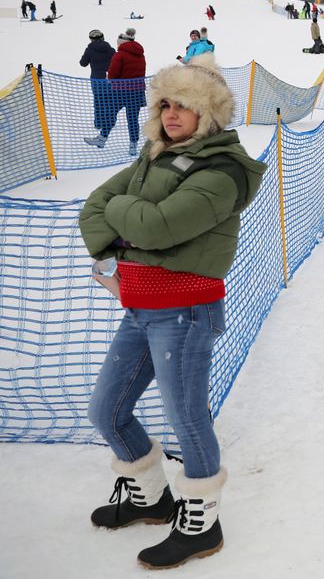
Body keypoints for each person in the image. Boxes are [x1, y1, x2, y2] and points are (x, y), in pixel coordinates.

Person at [79, 53, 265, 568]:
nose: (171, 115)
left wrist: (126, 224)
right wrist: (128, 223)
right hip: (139, 306)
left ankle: (202, 523)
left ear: (208, 114)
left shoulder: (222, 171)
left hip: (185, 312)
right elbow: (94, 203)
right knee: (107, 411)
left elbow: (156, 227)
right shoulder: (154, 155)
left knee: (186, 417)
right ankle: (153, 497)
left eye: (184, 106)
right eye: (165, 104)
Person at [91, 30, 147, 155]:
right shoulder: (140, 54)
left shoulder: (120, 54)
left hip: (120, 92)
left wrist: (109, 79)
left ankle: (102, 139)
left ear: (121, 43)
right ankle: (133, 145)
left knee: (110, 114)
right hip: (137, 92)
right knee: (133, 119)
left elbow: (113, 73)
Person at [81, 30, 116, 146]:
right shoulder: (110, 49)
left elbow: (83, 63)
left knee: (98, 100)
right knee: (110, 101)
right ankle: (109, 121)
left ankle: (99, 122)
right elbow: (116, 61)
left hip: (96, 79)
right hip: (109, 79)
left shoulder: (90, 49)